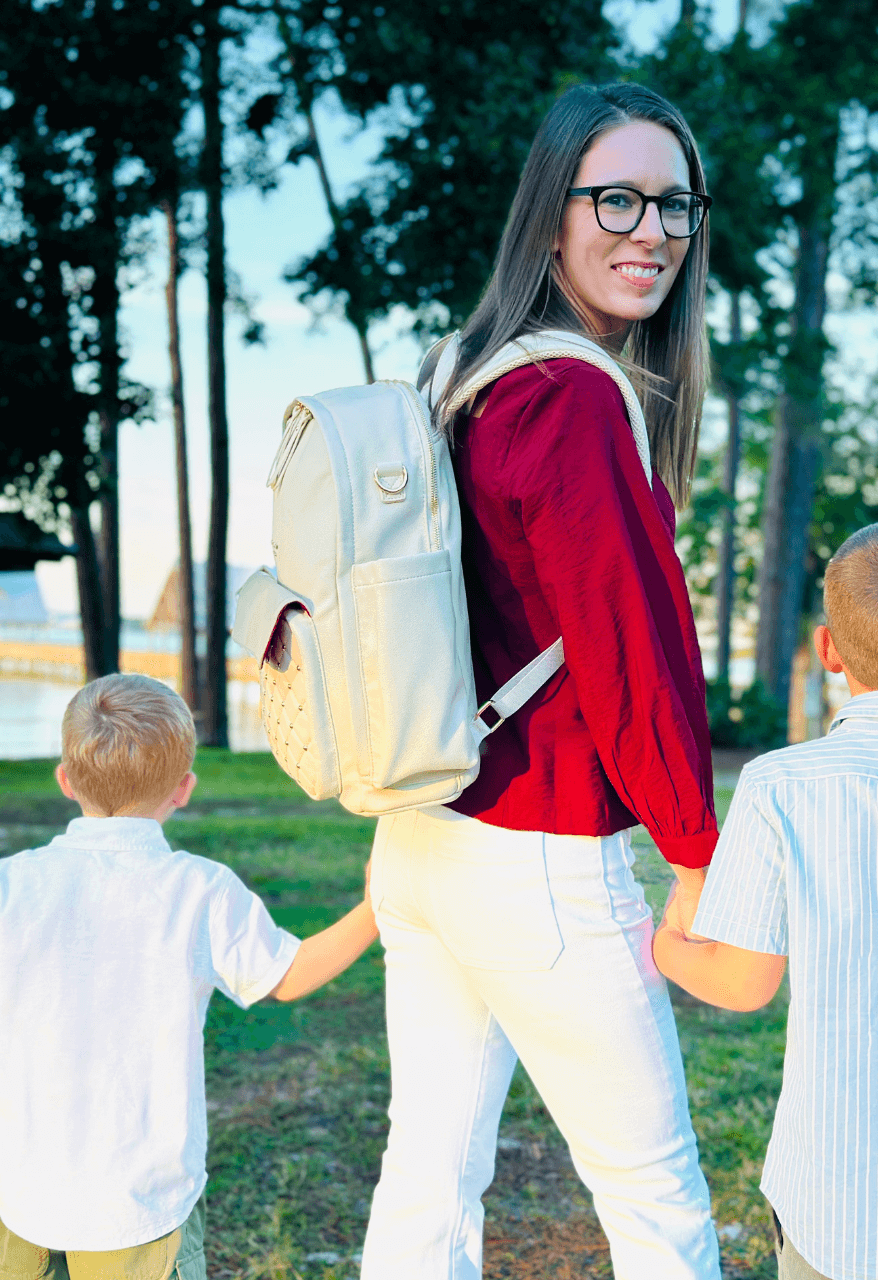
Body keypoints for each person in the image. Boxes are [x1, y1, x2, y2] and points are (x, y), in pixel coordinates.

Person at [362, 83, 720, 1280]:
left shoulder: (462, 370)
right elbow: (628, 650)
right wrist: (696, 851)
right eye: (615, 196)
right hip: (539, 852)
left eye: (673, 203)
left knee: (428, 1170)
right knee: (654, 1189)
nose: (652, 229)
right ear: (550, 215)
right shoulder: (568, 395)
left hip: (423, 832)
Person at [654, 519, 878, 1280]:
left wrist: (667, 940)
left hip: (839, 1207)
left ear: (828, 649)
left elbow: (742, 983)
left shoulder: (780, 786)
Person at [0, 673, 378, 1280]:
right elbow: (288, 974)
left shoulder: (13, 885)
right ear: (184, 790)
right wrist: (371, 912)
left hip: (21, 1194)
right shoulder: (200, 891)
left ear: (66, 780)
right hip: (142, 1207)